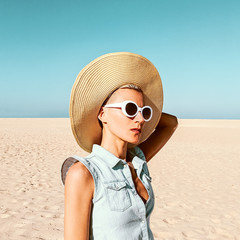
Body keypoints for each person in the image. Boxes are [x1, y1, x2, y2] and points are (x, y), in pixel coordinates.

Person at [61, 52, 178, 240]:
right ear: (102, 113)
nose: (140, 119)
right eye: (130, 109)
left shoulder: (138, 160)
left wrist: (143, 109)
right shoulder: (83, 174)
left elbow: (171, 123)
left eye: (144, 112)